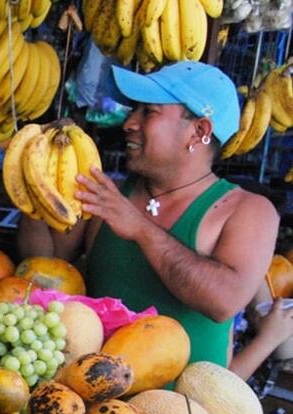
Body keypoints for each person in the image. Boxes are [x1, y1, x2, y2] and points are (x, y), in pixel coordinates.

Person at [17, 62, 280, 368]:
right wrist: (36, 194)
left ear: (199, 132)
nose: (129, 123)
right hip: (94, 400)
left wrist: (139, 228)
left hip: (186, 410)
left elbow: (223, 301)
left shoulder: (248, 210)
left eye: (148, 112)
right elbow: (43, 263)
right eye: (134, 111)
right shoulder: (109, 195)